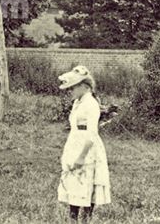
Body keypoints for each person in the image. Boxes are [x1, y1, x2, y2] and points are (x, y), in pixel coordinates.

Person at [57, 66, 111, 221]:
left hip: (87, 147)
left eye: (73, 87)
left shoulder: (91, 104)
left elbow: (92, 133)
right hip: (75, 142)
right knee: (74, 182)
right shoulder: (78, 103)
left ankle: (86, 218)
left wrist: (81, 156)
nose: (70, 91)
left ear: (84, 87)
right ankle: (73, 218)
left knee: (86, 181)